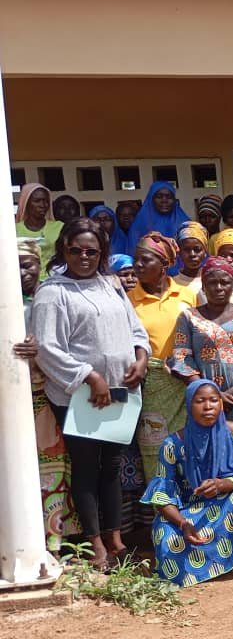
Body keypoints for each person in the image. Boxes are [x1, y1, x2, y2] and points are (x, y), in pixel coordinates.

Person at [31, 218, 150, 567]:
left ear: (102, 253)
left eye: (92, 251)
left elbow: (135, 328)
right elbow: (47, 348)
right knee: (86, 467)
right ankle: (94, 542)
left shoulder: (111, 285)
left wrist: (140, 358)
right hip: (79, 395)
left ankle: (115, 539)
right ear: (64, 250)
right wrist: (89, 376)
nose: (84, 256)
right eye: (76, 250)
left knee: (111, 466)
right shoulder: (53, 292)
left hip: (119, 390)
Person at [142, 380, 233, 586]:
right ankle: (208, 561)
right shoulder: (172, 444)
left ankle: (231, 556)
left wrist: (221, 485)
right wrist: (183, 523)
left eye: (213, 400)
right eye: (200, 401)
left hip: (221, 506)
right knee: (165, 535)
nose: (208, 407)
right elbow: (162, 497)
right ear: (189, 405)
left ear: (221, 404)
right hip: (188, 512)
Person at [169, 256, 233, 465]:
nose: (219, 287)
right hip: (204, 400)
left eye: (225, 282)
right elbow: (181, 358)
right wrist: (212, 394)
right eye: (212, 282)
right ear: (203, 285)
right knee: (207, 454)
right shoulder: (188, 317)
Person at [18, 238, 79, 552]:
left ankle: (56, 540)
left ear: (38, 265)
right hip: (13, 398)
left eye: (27, 264)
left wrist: (39, 350)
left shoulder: (52, 296)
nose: (22, 272)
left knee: (52, 468)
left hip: (47, 393)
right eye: (14, 266)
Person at [129, 232, 199, 481]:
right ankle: (163, 510)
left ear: (164, 265)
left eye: (145, 260)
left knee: (189, 446)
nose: (137, 265)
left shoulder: (187, 295)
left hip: (185, 382)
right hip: (151, 387)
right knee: (155, 447)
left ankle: (192, 509)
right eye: (135, 259)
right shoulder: (128, 301)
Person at [126, 181, 191, 254]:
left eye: (169, 197)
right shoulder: (140, 224)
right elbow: (133, 252)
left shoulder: (185, 223)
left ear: (174, 200)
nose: (164, 200)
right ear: (151, 199)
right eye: (159, 197)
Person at [15, 183, 64, 270]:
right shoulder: (14, 230)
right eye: (37, 201)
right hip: (26, 279)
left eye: (46, 201)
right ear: (26, 203)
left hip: (53, 278)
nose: (43, 205)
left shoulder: (59, 227)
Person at [174, 221, 209, 289]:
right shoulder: (172, 284)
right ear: (179, 252)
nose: (192, 254)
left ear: (205, 252)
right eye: (186, 250)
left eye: (197, 249)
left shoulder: (213, 281)